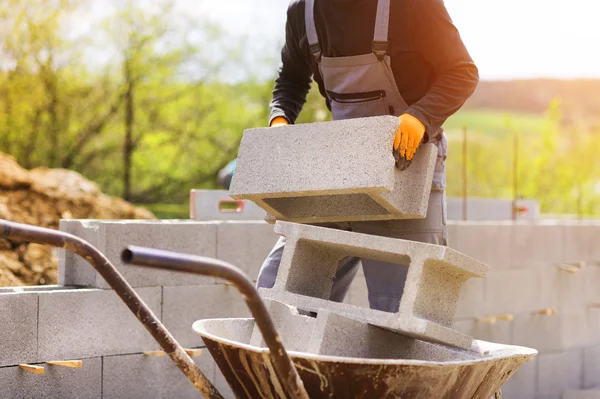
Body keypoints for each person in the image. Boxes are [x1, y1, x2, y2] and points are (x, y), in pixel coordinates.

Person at [256, 0, 479, 312]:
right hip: (338, 170)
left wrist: (420, 117)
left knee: (401, 310)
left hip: (404, 168)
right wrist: (280, 119)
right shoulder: (303, 13)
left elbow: (461, 72)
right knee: (280, 298)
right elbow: (291, 79)